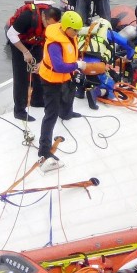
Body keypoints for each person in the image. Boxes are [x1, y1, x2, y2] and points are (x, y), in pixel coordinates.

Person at [37, 10, 86, 172]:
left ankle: (67, 113)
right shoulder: (54, 44)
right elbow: (58, 66)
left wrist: (74, 68)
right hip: (51, 80)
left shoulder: (68, 34)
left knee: (69, 93)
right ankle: (44, 148)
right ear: (66, 27)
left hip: (66, 77)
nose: (77, 33)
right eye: (75, 30)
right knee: (51, 113)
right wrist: (77, 66)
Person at [5, 2, 62, 122]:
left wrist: (41, 62)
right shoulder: (27, 17)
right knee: (21, 75)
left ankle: (38, 100)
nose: (49, 28)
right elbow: (11, 34)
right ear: (43, 17)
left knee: (40, 71)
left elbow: (51, 43)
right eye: (48, 25)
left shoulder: (53, 25)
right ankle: (19, 110)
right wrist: (25, 52)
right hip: (19, 41)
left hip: (36, 41)